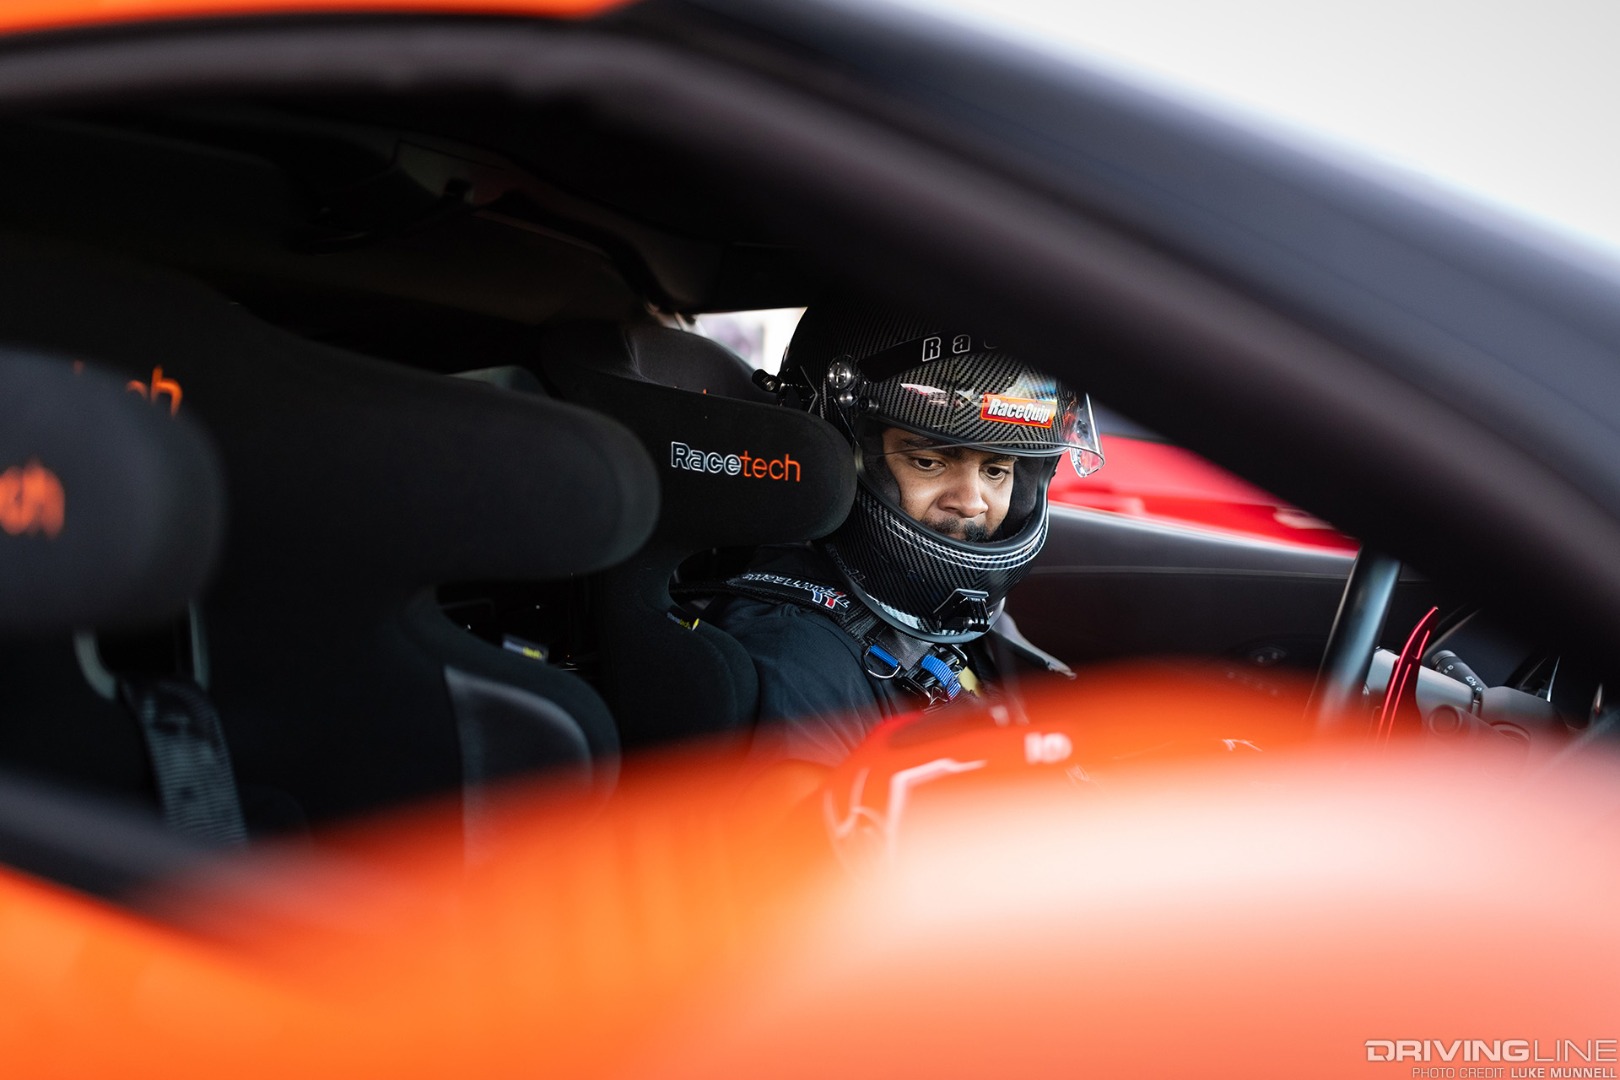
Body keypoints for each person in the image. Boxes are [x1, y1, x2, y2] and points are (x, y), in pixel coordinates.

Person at [707, 298, 1103, 776]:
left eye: (996, 470)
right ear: (834, 452)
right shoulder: (797, 654)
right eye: (928, 462)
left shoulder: (961, 616)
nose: (972, 501)